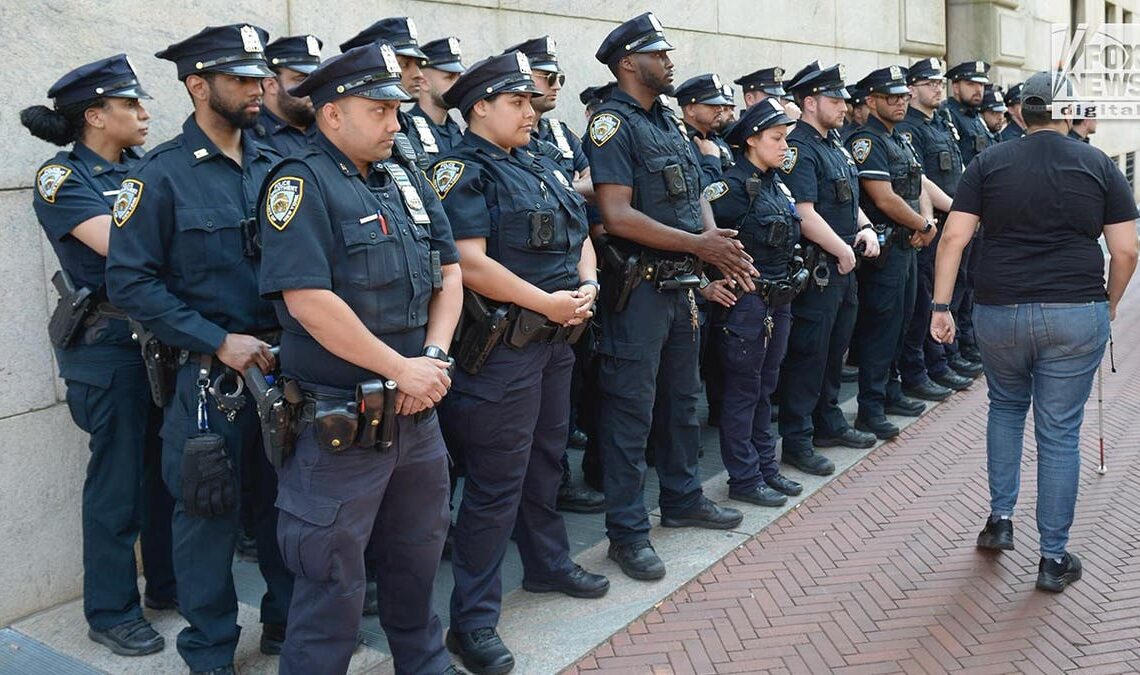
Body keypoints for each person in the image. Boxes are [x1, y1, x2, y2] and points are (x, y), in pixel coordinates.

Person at [257, 42, 462, 674]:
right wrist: (402, 370)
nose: (395, 123)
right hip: (339, 430)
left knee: (417, 565)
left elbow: (449, 274)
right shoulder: (299, 182)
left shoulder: (404, 178)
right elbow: (308, 301)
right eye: (379, 110)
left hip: (416, 414)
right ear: (333, 113)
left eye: (397, 110)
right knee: (329, 587)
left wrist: (431, 358)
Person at [105, 24, 294, 674]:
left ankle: (284, 622)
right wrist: (218, 340)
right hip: (209, 379)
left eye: (258, 76)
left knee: (284, 507)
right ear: (197, 84)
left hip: (285, 370)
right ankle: (210, 648)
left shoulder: (277, 164)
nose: (257, 88)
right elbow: (128, 280)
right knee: (206, 513)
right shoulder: (159, 177)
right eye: (240, 78)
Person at [431, 51, 610, 675]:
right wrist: (548, 303)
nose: (532, 112)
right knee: (493, 484)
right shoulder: (461, 170)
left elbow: (581, 231)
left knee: (546, 461)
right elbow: (466, 260)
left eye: (531, 102)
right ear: (480, 106)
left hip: (554, 343)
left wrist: (586, 287)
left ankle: (547, 564)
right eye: (517, 102)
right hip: (502, 351)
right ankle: (472, 622)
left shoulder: (536, 164)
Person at [930, 71, 1138, 593]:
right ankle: (1052, 557)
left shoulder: (989, 161)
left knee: (1004, 409)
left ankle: (1000, 521)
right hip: (1074, 309)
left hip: (999, 309)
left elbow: (953, 237)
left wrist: (940, 306)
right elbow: (1127, 251)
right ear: (1067, 112)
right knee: (1060, 432)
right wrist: (1107, 305)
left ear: (1022, 111)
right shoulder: (1098, 165)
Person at [586, 12, 750, 582]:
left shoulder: (670, 123)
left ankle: (681, 499)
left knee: (683, 400)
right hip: (639, 289)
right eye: (659, 53)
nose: (670, 60)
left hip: (682, 286)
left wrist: (711, 247)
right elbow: (616, 213)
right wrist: (700, 244)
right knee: (631, 411)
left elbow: (696, 193)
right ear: (630, 62)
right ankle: (627, 532)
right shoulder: (612, 122)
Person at [21, 54, 175, 658]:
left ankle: (167, 585)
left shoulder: (146, 168)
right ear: (94, 115)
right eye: (130, 105)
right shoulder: (62, 179)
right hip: (109, 349)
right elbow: (124, 247)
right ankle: (110, 610)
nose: (143, 115)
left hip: (161, 342)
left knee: (167, 474)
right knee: (116, 484)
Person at [776, 64, 881, 477]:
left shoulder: (834, 143)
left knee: (835, 349)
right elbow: (803, 212)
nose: (843, 107)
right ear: (810, 102)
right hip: (821, 269)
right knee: (809, 354)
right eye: (835, 100)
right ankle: (798, 439)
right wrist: (842, 250)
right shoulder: (799, 147)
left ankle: (828, 421)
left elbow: (847, 196)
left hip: (841, 264)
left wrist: (866, 226)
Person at [703, 99, 807, 506]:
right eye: (777, 138)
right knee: (743, 391)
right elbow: (702, 236)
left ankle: (765, 467)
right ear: (751, 140)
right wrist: (709, 284)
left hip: (777, 300)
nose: (785, 147)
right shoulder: (729, 188)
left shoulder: (775, 183)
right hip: (746, 304)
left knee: (765, 388)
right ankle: (744, 478)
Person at [845, 65, 938, 441]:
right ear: (870, 101)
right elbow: (884, 198)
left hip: (907, 244)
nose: (900, 102)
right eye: (891, 97)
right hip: (884, 251)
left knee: (904, 322)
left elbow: (918, 188)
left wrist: (924, 225)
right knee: (880, 329)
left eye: (903, 96)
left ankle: (891, 390)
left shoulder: (900, 138)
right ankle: (870, 408)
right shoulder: (867, 141)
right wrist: (922, 226)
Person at [895, 57, 975, 403]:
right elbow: (920, 185)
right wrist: (930, 224)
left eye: (940, 82)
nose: (937, 88)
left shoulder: (941, 124)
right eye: (929, 83)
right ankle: (928, 366)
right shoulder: (909, 128)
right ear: (912, 89)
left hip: (956, 220)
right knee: (930, 299)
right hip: (936, 228)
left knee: (956, 290)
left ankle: (948, 355)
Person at [504, 36, 593, 196]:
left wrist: (557, 190)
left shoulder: (561, 132)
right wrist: (571, 187)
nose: (557, 86)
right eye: (549, 77)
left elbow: (594, 184)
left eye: (560, 78)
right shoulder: (506, 135)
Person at [340, 17, 433, 169]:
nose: (419, 74)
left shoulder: (415, 127)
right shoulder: (349, 132)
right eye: (404, 64)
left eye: (417, 65)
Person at [255, 34, 321, 155]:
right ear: (271, 85)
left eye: (315, 80)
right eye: (301, 80)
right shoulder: (249, 136)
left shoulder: (327, 127)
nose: (312, 88)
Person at [409, 36, 467, 156]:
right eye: (450, 77)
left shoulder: (457, 131)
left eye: (459, 77)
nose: (458, 84)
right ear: (424, 83)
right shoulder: (407, 130)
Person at [673, 73, 734, 183]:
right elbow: (696, 191)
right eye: (712, 105)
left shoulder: (717, 140)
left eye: (720, 104)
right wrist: (711, 159)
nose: (720, 109)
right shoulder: (679, 143)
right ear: (691, 109)